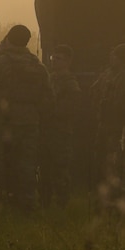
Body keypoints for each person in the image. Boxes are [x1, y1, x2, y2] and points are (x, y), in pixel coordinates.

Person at [0, 25, 53, 214]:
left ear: (8, 39)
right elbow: (48, 98)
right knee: (26, 165)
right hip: (29, 124)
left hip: (2, 123)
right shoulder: (38, 66)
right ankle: (26, 205)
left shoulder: (0, 64)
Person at [91, 43, 125, 203]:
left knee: (121, 164)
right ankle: (111, 198)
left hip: (121, 128)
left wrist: (108, 107)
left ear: (120, 58)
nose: (111, 58)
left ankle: (123, 200)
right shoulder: (113, 74)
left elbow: (124, 106)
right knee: (108, 163)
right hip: (110, 126)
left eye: (114, 56)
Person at [38, 44, 82, 208]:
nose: (54, 61)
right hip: (46, 131)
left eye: (59, 59)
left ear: (68, 61)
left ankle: (61, 203)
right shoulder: (49, 78)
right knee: (44, 168)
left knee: (60, 168)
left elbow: (71, 106)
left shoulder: (70, 83)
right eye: (53, 58)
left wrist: (51, 112)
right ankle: (44, 201)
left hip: (60, 132)